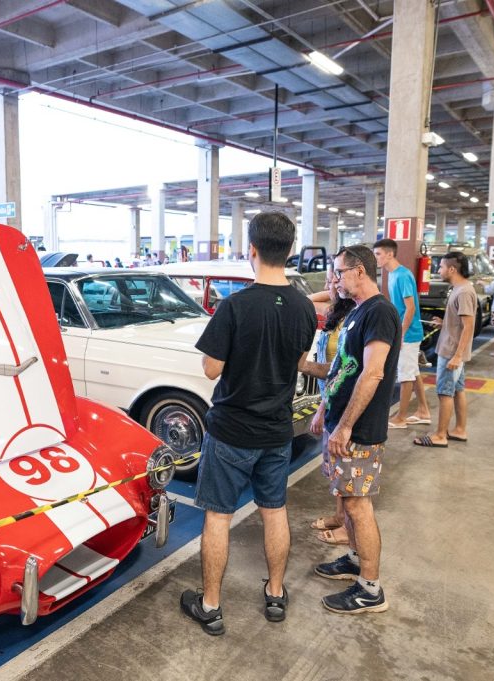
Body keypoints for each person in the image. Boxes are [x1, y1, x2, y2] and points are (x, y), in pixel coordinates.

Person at [180, 212, 316, 634]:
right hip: (276, 431)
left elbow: (211, 369)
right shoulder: (304, 307)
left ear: (251, 250)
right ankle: (275, 594)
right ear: (290, 251)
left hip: (231, 432)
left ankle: (211, 606)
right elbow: (299, 362)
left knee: (218, 516)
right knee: (274, 512)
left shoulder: (234, 306)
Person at [306, 244, 399, 614]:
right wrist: (324, 408)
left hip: (359, 430)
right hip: (340, 422)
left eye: (339, 273)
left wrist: (345, 426)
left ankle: (370, 589)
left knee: (359, 506)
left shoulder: (380, 312)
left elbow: (372, 373)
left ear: (360, 271)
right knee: (347, 500)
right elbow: (342, 368)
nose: (334, 280)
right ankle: (355, 560)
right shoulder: (358, 312)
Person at [302, 270, 356, 546]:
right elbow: (309, 300)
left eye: (333, 280)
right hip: (331, 397)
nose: (328, 287)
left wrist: (321, 408)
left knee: (344, 466)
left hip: (339, 399)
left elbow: (341, 370)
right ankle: (339, 516)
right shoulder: (336, 312)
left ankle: (347, 527)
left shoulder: (352, 317)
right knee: (334, 465)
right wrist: (331, 288)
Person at [414, 251, 475, 448]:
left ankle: (440, 435)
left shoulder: (463, 292)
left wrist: (457, 356)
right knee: (457, 390)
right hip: (452, 350)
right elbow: (460, 323)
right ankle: (460, 430)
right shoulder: (460, 289)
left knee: (445, 392)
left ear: (452, 269)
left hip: (451, 352)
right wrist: (445, 323)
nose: (438, 270)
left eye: (441, 267)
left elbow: (468, 326)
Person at [373, 239, 431, 428]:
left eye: (378, 254)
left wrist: (401, 334)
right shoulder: (392, 275)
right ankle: (423, 411)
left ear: (390, 254)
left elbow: (410, 308)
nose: (375, 258)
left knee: (405, 375)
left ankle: (401, 418)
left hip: (409, 334)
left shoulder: (403, 275)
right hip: (405, 332)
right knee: (413, 371)